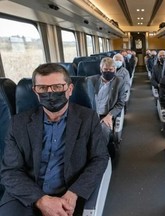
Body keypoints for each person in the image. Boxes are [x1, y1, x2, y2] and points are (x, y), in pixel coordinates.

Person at [0, 63, 109, 216]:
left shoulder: (88, 118)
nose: (50, 93)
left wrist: (74, 192)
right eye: (43, 88)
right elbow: (10, 171)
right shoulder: (18, 123)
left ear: (69, 89)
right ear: (35, 92)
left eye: (57, 87)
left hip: (68, 192)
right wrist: (41, 199)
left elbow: (100, 158)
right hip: (26, 194)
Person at [90, 57, 126, 148]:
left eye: (111, 69)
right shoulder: (91, 80)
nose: (108, 72)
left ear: (115, 69)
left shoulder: (119, 82)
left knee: (103, 130)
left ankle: (100, 155)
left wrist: (110, 115)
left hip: (106, 114)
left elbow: (120, 103)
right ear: (101, 69)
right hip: (91, 114)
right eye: (105, 69)